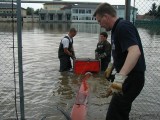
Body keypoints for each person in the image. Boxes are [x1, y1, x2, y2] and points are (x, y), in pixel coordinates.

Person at [93, 3, 146, 120]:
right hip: (129, 78)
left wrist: (119, 79)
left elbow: (134, 52)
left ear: (106, 16)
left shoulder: (123, 27)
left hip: (132, 79)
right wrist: (111, 67)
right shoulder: (116, 29)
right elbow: (119, 52)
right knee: (120, 112)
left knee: (114, 115)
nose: (100, 25)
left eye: (99, 21)